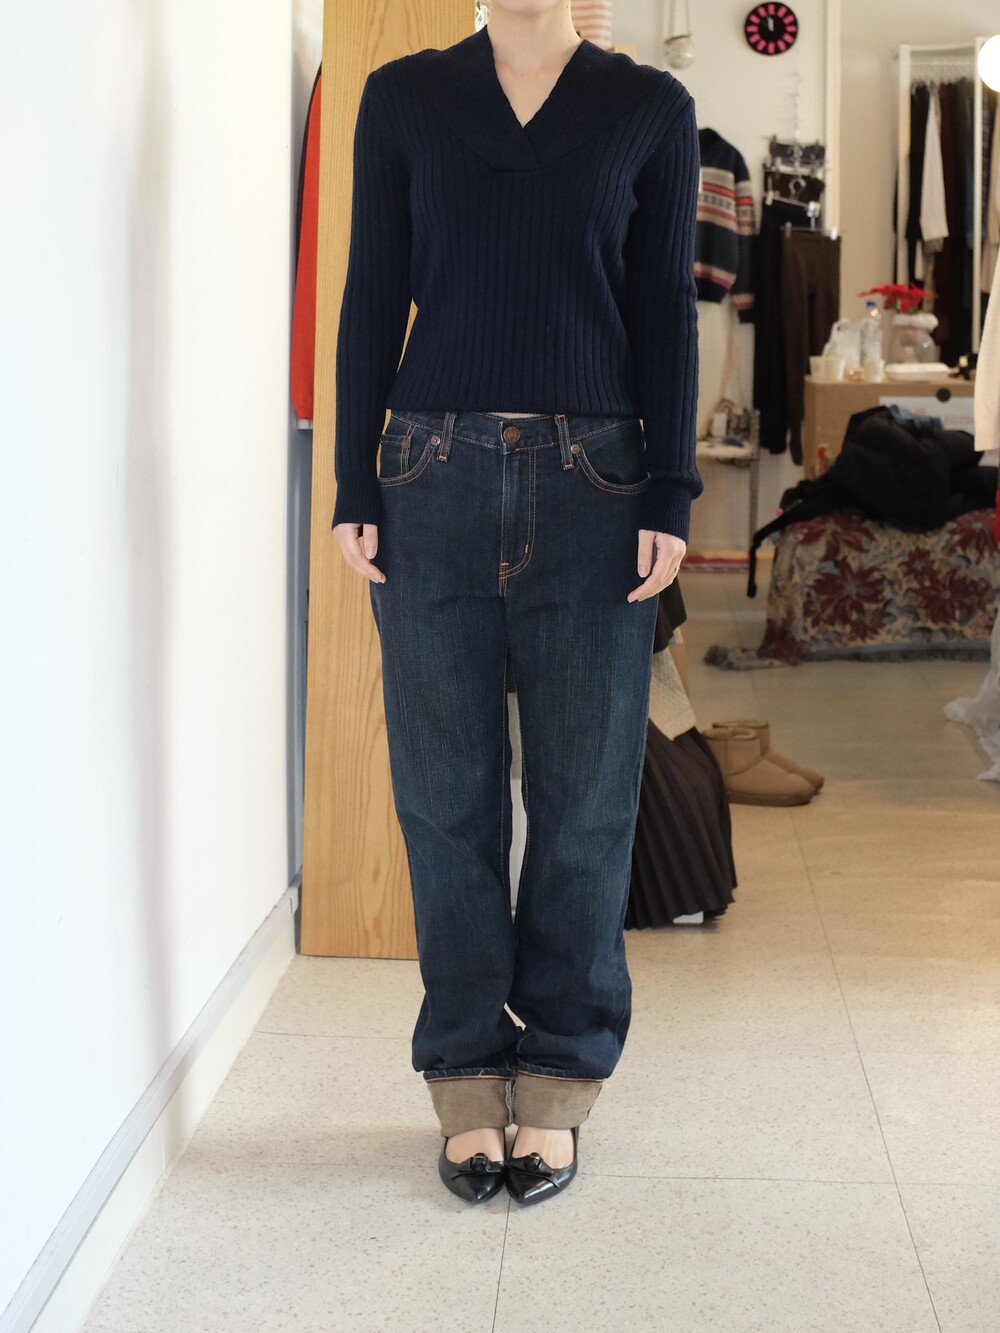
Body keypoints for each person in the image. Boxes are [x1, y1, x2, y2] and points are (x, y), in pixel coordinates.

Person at [331, 0, 702, 1206]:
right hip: (428, 474)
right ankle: (461, 1074)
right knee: (444, 801)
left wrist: (672, 486)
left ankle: (558, 1076)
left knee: (585, 800)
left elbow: (663, 307)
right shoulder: (403, 97)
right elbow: (371, 293)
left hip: (598, 480)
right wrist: (352, 479)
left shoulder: (648, 108)